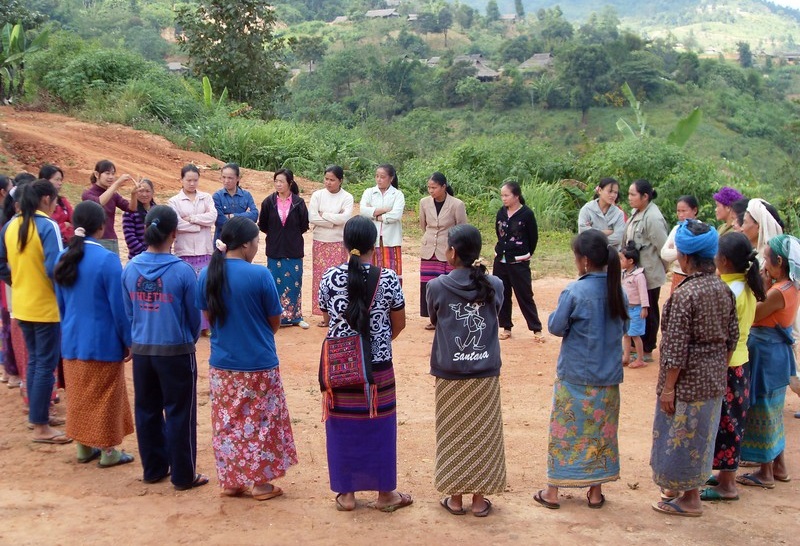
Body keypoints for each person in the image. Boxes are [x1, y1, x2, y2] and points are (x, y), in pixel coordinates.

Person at [197, 217, 297, 500]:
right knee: (263, 423)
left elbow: (208, 318)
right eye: (256, 242)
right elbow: (274, 320)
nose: (257, 247)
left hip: (223, 364)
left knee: (227, 422)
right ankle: (261, 484)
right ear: (245, 244)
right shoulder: (259, 275)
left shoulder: (206, 274)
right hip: (258, 362)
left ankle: (232, 481)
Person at [318, 216, 410, 512]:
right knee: (380, 426)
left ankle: (346, 494)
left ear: (345, 244)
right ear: (375, 245)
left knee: (342, 427)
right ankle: (386, 494)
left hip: (341, 363)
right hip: (378, 364)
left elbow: (326, 318)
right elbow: (399, 323)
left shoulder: (329, 277)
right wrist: (378, 340)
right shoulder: (389, 278)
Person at [533, 230, 627, 511]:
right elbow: (623, 327)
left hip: (575, 375)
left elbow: (555, 327)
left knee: (565, 432)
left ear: (584, 260)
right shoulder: (616, 289)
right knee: (600, 433)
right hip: (607, 376)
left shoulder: (575, 291)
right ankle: (595, 492)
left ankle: (553, 491)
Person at [651, 219, 738, 518]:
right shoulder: (723, 290)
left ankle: (689, 499)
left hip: (686, 383)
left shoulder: (685, 294)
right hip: (713, 380)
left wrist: (669, 387)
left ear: (685, 258)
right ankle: (685, 492)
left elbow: (674, 349)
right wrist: (717, 369)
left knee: (679, 439)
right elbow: (732, 337)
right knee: (701, 437)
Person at [122, 205, 207, 491]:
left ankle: (154, 468)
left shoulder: (130, 268)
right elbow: (194, 318)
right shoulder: (182, 271)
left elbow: (129, 313)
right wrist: (187, 340)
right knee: (180, 412)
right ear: (174, 233)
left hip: (143, 351)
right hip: (176, 352)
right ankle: (183, 475)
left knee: (146, 409)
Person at [426, 224, 506, 518]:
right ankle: (480, 499)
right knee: (483, 435)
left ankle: (455, 498)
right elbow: (496, 310)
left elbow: (434, 317)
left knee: (452, 435)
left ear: (453, 252)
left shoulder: (436, 286)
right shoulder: (494, 284)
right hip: (485, 373)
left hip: (450, 374)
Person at [54, 200, 135, 467]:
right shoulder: (107, 260)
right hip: (103, 341)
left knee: (79, 395)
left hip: (72, 339)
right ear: (101, 227)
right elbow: (119, 308)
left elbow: (61, 305)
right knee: (106, 397)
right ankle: (108, 451)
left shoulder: (62, 257)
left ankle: (83, 447)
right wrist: (128, 341)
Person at [0, 180, 68, 444]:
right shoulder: (47, 225)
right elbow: (55, 268)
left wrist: (17, 281)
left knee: (34, 362)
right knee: (44, 365)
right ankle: (40, 425)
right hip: (46, 307)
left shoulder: (11, 225)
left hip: (23, 305)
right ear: (46, 199)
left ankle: (39, 415)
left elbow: (1, 263)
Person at [701, 232, 765, 501]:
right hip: (740, 362)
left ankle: (727, 485)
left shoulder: (730, 290)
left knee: (726, 423)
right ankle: (724, 474)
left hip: (727, 364)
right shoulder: (745, 285)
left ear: (723, 260)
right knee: (730, 421)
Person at [736, 235, 799, 489]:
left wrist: (759, 285)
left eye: (766, 259)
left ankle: (765, 472)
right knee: (772, 410)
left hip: (766, 352)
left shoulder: (777, 292)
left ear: (779, 261)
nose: (763, 264)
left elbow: (754, 314)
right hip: (775, 353)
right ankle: (779, 466)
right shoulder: (790, 287)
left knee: (762, 408)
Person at [258, 168, 310, 329]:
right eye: (276, 181)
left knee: (294, 282)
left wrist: (289, 236)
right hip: (274, 248)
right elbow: (263, 225)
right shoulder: (268, 202)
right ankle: (275, 316)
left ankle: (295, 317)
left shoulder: (298, 203)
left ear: (290, 183)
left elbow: (303, 225)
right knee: (274, 282)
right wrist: (277, 235)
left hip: (293, 249)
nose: (278, 184)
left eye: (281, 181)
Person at [168, 165, 217, 336]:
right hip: (185, 251)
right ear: (181, 180)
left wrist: (193, 219)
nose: (192, 183)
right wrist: (198, 226)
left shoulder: (206, 197)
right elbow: (176, 223)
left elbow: (212, 217)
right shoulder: (174, 201)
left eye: (195, 180)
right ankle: (187, 323)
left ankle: (206, 326)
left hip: (204, 250)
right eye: (188, 180)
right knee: (187, 289)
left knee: (205, 288)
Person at [624, 179, 669, 361]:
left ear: (645, 196)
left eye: (633, 194)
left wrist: (659, 270)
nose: (629, 198)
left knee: (648, 309)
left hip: (648, 273)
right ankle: (636, 345)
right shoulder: (637, 212)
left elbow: (664, 249)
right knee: (635, 307)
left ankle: (648, 348)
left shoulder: (653, 218)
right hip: (636, 272)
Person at [493, 181, 543, 342]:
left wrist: (526, 254)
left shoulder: (527, 214)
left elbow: (533, 237)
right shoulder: (501, 212)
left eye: (506, 195)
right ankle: (506, 327)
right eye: (502, 195)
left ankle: (536, 328)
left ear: (516, 196)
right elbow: (498, 233)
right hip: (501, 260)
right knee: (502, 294)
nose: (504, 199)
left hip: (519, 262)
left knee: (525, 295)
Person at [419, 172, 467, 331]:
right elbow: (423, 225)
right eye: (429, 187)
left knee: (447, 284)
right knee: (429, 284)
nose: (431, 191)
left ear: (443, 187)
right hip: (429, 249)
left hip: (447, 250)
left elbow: (461, 227)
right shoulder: (424, 203)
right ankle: (433, 318)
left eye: (434, 187)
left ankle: (449, 318)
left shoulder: (457, 204)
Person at [308, 165, 353, 326]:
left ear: (340, 181)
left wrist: (324, 216)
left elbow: (346, 218)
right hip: (320, 241)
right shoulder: (317, 195)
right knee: (321, 279)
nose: (328, 182)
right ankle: (324, 315)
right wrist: (334, 221)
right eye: (326, 179)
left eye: (332, 180)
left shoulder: (347, 197)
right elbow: (312, 217)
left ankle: (339, 313)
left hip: (339, 242)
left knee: (339, 278)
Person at [359, 164, 406, 281]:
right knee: (371, 270)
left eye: (382, 177)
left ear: (391, 178)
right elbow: (363, 211)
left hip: (391, 239)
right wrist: (385, 209)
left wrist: (375, 215)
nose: (379, 179)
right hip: (372, 237)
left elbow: (396, 215)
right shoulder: (369, 192)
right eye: (377, 176)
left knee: (391, 271)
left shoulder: (397, 194)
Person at [81, 159, 136, 254]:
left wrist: (134, 194)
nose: (111, 177)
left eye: (113, 174)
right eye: (107, 173)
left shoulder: (113, 195)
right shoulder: (87, 194)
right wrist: (117, 184)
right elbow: (98, 203)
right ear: (97, 174)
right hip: (94, 241)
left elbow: (131, 208)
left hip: (111, 240)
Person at [661, 195, 699, 292]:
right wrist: (682, 251)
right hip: (677, 275)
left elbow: (696, 254)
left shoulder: (700, 229)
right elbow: (664, 254)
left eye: (684, 211)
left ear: (694, 210)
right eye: (678, 211)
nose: (681, 215)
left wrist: (674, 250)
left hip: (695, 277)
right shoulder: (676, 229)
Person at [212, 163, 258, 242]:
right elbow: (219, 221)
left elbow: (254, 215)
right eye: (223, 177)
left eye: (230, 178)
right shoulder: (217, 196)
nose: (226, 181)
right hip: (222, 242)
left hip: (242, 242)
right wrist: (244, 218)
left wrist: (231, 216)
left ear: (238, 178)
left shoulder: (246, 195)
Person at [620, 242, 649, 369]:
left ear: (630, 261)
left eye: (621, 259)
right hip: (626, 309)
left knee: (635, 335)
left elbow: (643, 293)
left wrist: (644, 307)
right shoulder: (624, 273)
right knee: (626, 334)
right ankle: (626, 357)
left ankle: (640, 359)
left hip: (636, 309)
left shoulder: (639, 276)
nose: (619, 261)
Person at [577, 177, 625, 250]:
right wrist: (608, 232)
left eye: (615, 192)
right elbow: (583, 232)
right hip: (590, 252)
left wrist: (593, 232)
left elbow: (618, 237)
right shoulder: (587, 209)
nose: (613, 195)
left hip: (611, 254)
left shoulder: (619, 214)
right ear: (600, 190)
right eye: (610, 191)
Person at [122, 178, 156, 259]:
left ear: (153, 192)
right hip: (137, 258)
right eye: (140, 191)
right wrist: (146, 253)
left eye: (147, 191)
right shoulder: (130, 212)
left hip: (157, 257)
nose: (144, 194)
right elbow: (130, 237)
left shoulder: (157, 211)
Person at [39, 165, 74, 244]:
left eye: (61, 180)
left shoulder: (62, 201)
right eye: (57, 180)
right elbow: (43, 228)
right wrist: (64, 225)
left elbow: (74, 220)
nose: (60, 183)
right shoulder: (38, 203)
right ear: (45, 180)